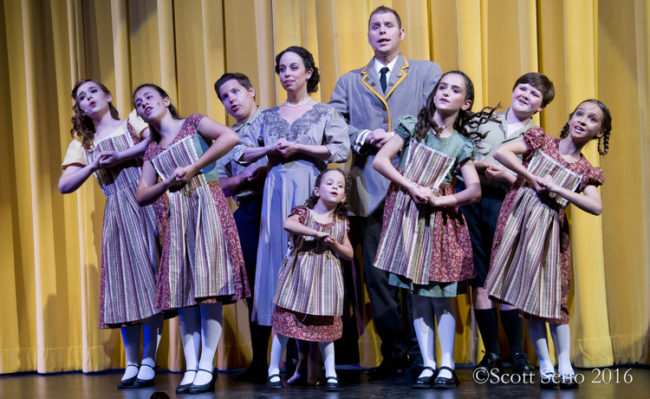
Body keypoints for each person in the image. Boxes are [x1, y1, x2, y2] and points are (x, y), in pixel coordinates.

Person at [329, 5, 442, 377]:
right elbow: (334, 124)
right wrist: (362, 135)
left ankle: (423, 355)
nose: (382, 31)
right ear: (367, 35)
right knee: (377, 279)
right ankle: (394, 354)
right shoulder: (350, 80)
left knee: (417, 275)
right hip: (368, 188)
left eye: (389, 26)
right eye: (375, 27)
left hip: (416, 184)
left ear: (401, 33)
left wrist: (398, 138)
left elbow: (438, 114)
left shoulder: (426, 71)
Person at [231, 46, 350, 384]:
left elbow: (341, 149)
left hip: (310, 186)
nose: (286, 74)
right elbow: (239, 151)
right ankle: (282, 358)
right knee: (278, 258)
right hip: (277, 188)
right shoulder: (267, 116)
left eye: (294, 67)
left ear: (309, 72)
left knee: (308, 262)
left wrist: (302, 149)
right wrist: (269, 149)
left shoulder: (325, 111)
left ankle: (310, 360)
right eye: (281, 68)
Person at [373, 71, 497, 389]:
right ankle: (427, 363)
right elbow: (382, 161)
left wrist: (444, 201)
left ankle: (446, 364)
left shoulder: (460, 144)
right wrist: (412, 186)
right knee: (416, 296)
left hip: (438, 219)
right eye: (442, 87)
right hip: (408, 215)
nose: (445, 92)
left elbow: (473, 190)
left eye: (454, 90)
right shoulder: (412, 126)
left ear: (465, 102)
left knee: (440, 296)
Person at [485, 99, 611, 389]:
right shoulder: (541, 142)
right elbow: (501, 152)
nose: (582, 120)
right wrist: (531, 177)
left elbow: (595, 206)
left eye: (592, 119)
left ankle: (564, 362)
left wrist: (559, 188)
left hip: (551, 235)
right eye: (580, 114)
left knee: (553, 300)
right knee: (529, 299)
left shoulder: (584, 169)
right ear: (570, 117)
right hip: (519, 224)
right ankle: (545, 363)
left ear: (599, 132)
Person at [133, 83, 249, 394]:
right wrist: (167, 182)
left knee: (208, 288)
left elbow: (230, 136)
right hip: (178, 214)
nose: (144, 103)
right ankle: (192, 363)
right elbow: (142, 194)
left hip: (207, 205)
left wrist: (194, 167)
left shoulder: (194, 123)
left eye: (149, 97)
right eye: (138, 103)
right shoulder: (152, 149)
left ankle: (207, 364)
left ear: (166, 100)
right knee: (184, 292)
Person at [59, 79, 163, 389]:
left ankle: (149, 359)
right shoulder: (83, 143)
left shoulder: (132, 120)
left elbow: (151, 142)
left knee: (148, 280)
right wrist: (91, 167)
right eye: (81, 96)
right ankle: (131, 361)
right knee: (122, 286)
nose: (88, 98)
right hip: (116, 210)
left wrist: (119, 157)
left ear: (107, 95)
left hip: (145, 202)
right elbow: (64, 184)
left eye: (93, 91)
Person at [458, 73, 555, 377]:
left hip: (509, 207)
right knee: (481, 279)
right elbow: (459, 157)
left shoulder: (538, 140)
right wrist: (475, 166)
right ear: (513, 90)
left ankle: (517, 353)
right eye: (523, 89)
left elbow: (536, 184)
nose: (526, 95)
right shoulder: (481, 122)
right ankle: (491, 355)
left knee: (509, 279)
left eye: (534, 94)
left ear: (540, 106)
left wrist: (506, 177)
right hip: (473, 204)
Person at [266, 168, 353, 392]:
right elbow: (288, 224)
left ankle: (331, 373)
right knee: (286, 325)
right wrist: (315, 233)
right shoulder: (304, 213)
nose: (335, 187)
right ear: (317, 190)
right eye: (330, 183)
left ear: (343, 196)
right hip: (299, 275)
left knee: (326, 329)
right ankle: (273, 370)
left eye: (340, 186)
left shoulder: (341, 222)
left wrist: (334, 244)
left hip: (325, 278)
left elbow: (349, 254)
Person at [214, 72, 270, 383]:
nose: (231, 99)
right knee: (254, 287)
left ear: (251, 91)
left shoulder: (274, 119)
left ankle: (297, 360)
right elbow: (219, 184)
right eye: (224, 96)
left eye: (235, 91)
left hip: (282, 206)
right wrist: (242, 180)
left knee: (290, 281)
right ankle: (260, 361)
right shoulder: (227, 137)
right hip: (248, 210)